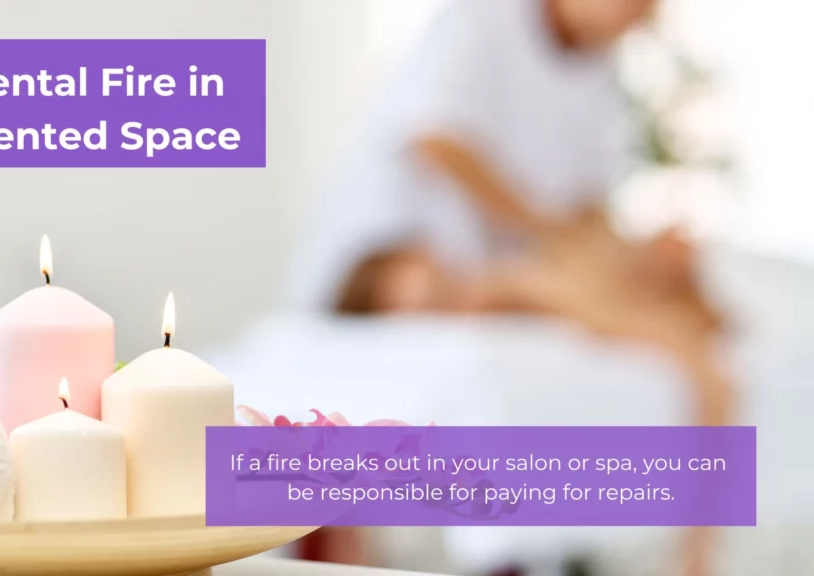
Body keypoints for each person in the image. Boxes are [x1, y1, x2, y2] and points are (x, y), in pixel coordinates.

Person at [291, 1, 732, 574]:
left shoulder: (600, 74)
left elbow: (587, 207)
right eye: (634, 4)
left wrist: (623, 256)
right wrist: (542, 240)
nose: (643, 18)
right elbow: (437, 139)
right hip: (392, 260)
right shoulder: (482, 20)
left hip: (496, 272)